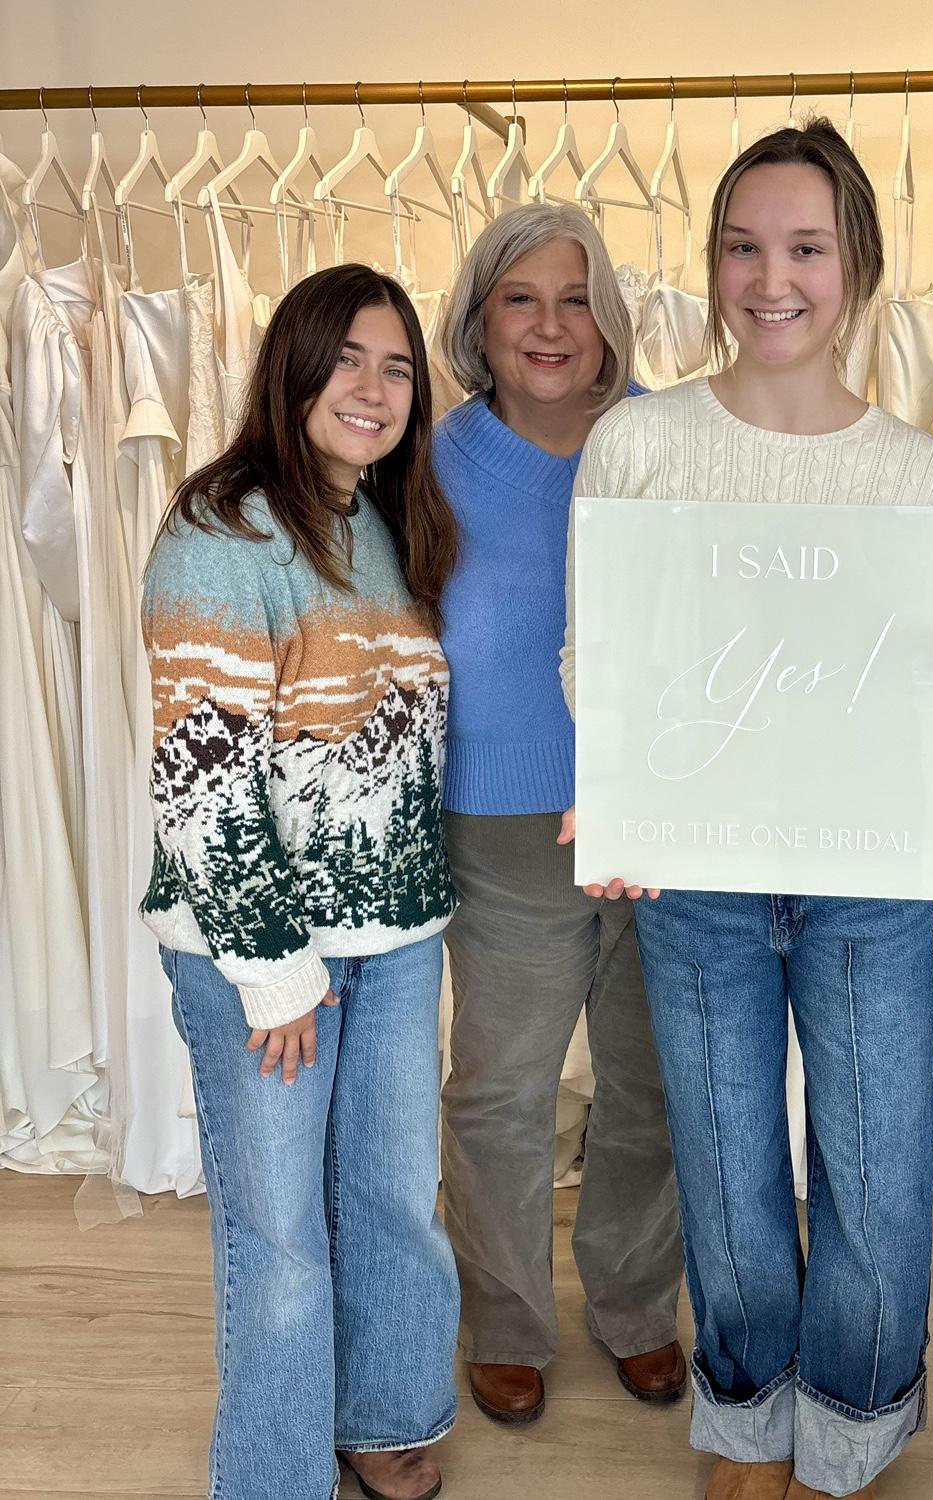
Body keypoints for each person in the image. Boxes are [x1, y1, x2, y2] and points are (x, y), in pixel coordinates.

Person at [561, 120, 933, 1500]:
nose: (772, 279)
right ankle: (745, 1418)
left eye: (806, 247)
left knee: (871, 1170)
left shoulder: (919, 477)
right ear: (713, 264)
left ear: (856, 265)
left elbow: (911, 700)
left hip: (869, 872)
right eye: (743, 247)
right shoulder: (637, 445)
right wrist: (616, 795)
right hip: (695, 869)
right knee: (729, 1163)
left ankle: (855, 1428)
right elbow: (596, 655)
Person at [141, 263, 462, 1500]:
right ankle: (274, 1475)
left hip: (395, 934)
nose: (373, 389)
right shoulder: (224, 528)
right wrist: (274, 970)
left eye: (397, 367)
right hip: (261, 949)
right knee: (277, 1236)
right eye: (348, 359)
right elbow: (198, 765)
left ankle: (385, 1408)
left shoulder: (384, 519)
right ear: (293, 365)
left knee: (391, 1196)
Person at [434, 203, 686, 1425]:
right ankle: (504, 1321)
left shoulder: (668, 439)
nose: (549, 324)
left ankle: (638, 1308)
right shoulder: (426, 461)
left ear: (612, 320)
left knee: (653, 1083)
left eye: (575, 297)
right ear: (480, 316)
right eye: (520, 297)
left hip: (659, 811)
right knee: (501, 1088)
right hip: (505, 817)